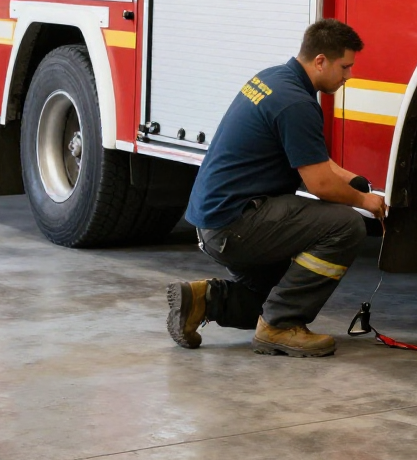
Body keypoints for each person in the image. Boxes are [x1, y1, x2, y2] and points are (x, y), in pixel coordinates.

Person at [165, 18, 386, 358]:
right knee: (347, 226)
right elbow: (320, 184)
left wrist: (350, 179)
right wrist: (364, 201)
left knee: (276, 294)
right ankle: (280, 327)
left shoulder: (272, 79)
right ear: (320, 61)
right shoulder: (297, 104)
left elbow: (315, 163)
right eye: (345, 67)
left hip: (214, 221)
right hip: (235, 225)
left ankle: (201, 300)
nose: (348, 76)